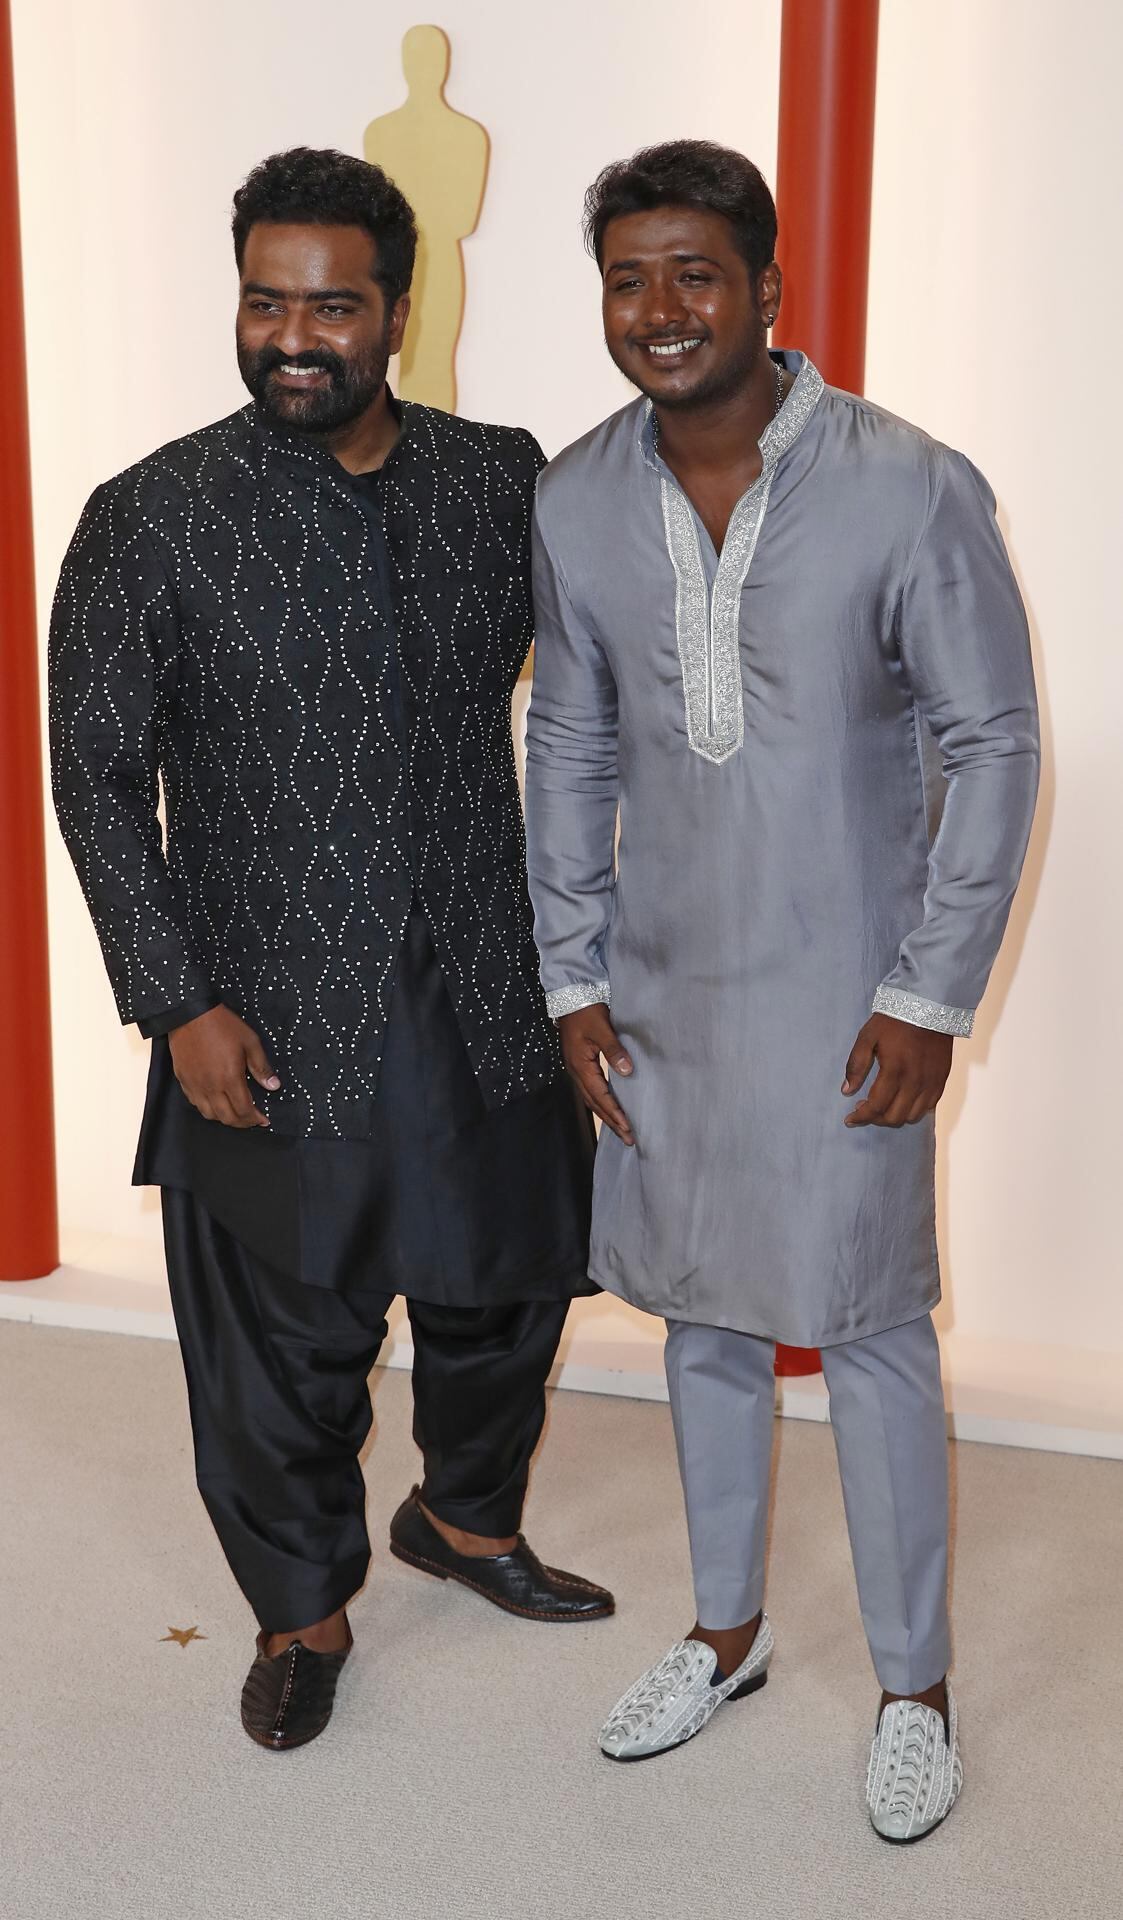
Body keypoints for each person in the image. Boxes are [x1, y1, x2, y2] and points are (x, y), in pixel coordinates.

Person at [50, 146, 612, 1756]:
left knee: (508, 1296)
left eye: (334, 306)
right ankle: (303, 1612)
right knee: (280, 1346)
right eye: (265, 301)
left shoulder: (501, 478)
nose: (295, 336)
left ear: (400, 312)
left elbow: (599, 682)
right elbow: (91, 772)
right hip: (267, 1004)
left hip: (488, 993)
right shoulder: (151, 514)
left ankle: (467, 1521)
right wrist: (175, 1002)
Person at [524, 140, 1038, 1842]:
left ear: (766, 291)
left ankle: (915, 1687)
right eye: (629, 278)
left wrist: (932, 992)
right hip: (664, 993)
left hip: (850, 998)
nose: (661, 312)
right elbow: (574, 737)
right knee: (702, 1320)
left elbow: (995, 738)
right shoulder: (580, 495)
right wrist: (573, 975)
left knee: (875, 1331)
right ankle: (727, 1632)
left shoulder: (909, 484)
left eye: (695, 275)